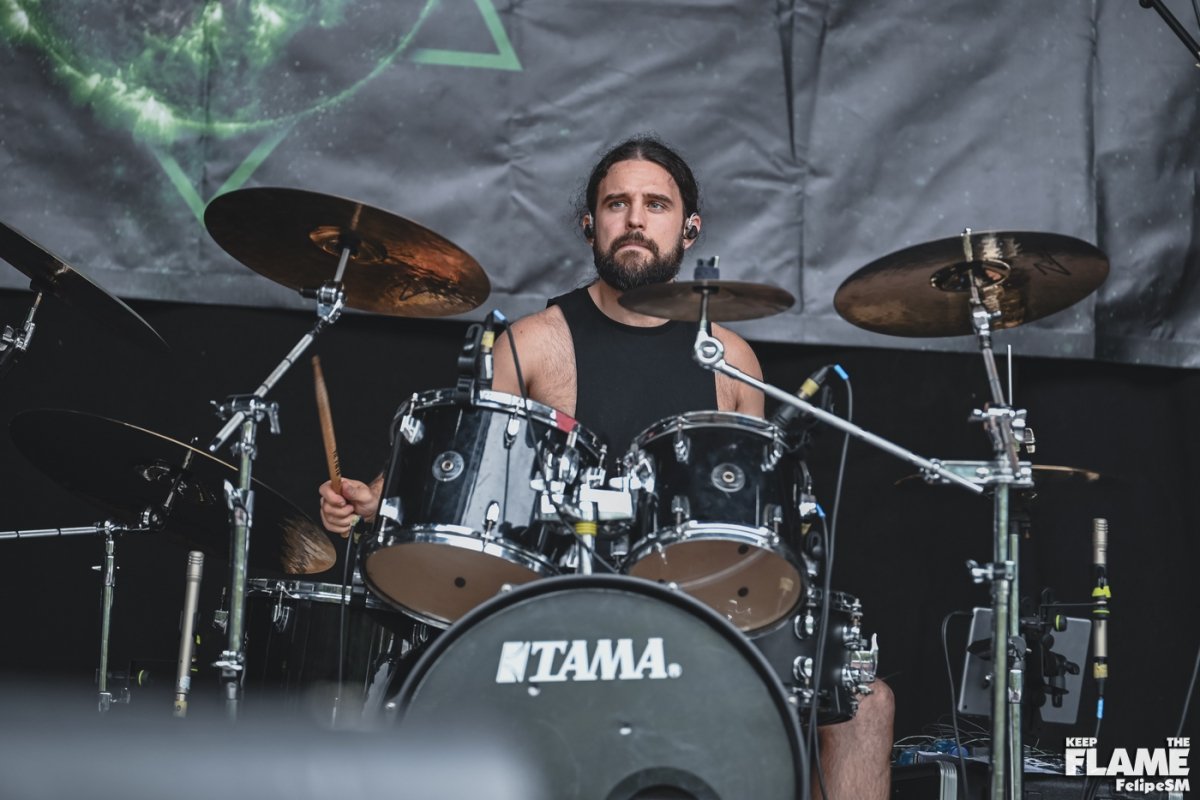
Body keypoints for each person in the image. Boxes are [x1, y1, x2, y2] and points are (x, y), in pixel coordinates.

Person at [319, 135, 894, 799]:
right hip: (562, 615)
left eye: (656, 204)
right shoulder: (534, 342)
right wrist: (375, 499)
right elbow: (466, 469)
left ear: (689, 227)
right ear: (590, 224)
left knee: (863, 703)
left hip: (700, 616)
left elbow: (754, 527)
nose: (636, 219)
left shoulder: (729, 358)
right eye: (616, 204)